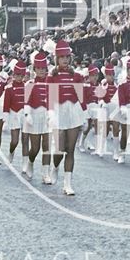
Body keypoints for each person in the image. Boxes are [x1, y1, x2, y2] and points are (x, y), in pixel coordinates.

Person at [47, 40, 86, 195]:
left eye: (67, 57)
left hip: (73, 112)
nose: (65, 59)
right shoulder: (52, 76)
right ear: (57, 58)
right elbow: (50, 98)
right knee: (59, 149)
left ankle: (67, 184)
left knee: (70, 150)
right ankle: (55, 167)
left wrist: (85, 115)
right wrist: (51, 114)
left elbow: (81, 98)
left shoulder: (77, 76)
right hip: (58, 112)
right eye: (62, 57)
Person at [23, 52, 51, 183]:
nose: (41, 71)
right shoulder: (29, 83)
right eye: (39, 68)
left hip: (47, 116)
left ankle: (45, 174)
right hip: (33, 116)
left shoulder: (51, 83)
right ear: (34, 69)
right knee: (35, 147)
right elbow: (26, 101)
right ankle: (30, 161)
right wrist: (28, 115)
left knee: (47, 146)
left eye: (43, 69)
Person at [3, 61, 27, 172]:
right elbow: (6, 105)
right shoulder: (8, 88)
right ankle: (11, 153)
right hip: (14, 114)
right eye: (17, 75)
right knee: (15, 141)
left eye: (21, 75)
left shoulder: (27, 87)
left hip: (25, 115)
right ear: (13, 75)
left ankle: (24, 163)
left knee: (25, 140)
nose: (19, 77)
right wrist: (6, 119)